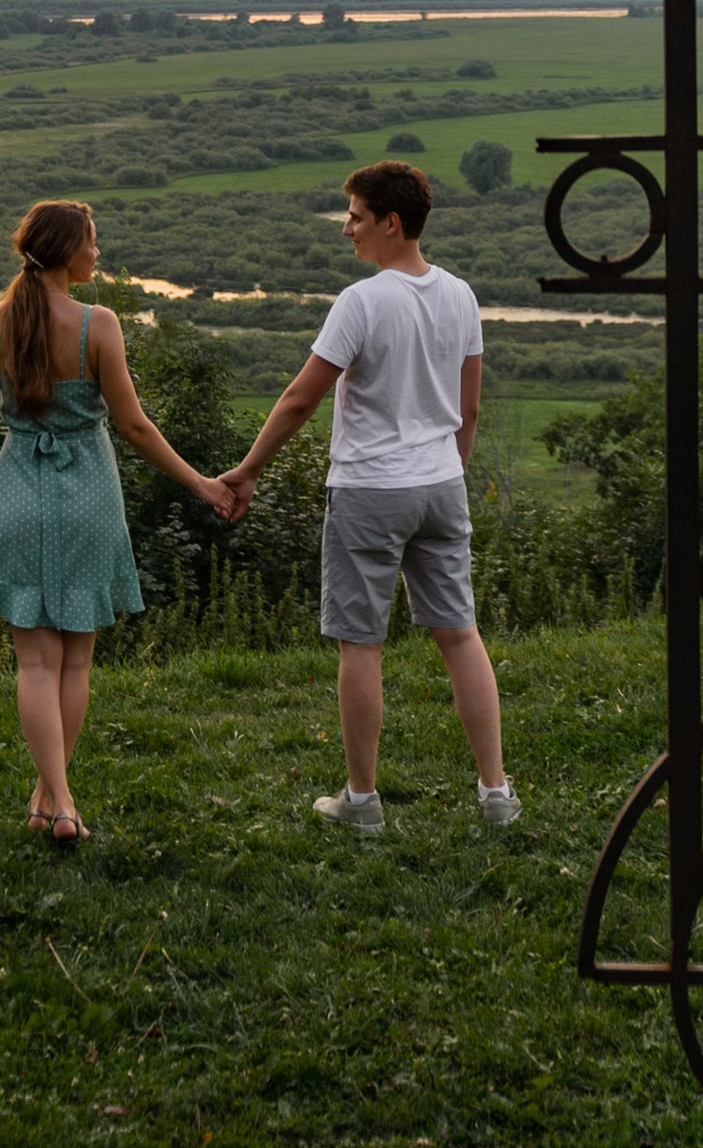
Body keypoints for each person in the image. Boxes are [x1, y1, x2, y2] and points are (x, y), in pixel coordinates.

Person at [217, 159, 519, 836]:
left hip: (369, 490)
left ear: (390, 222)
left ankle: (361, 801)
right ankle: (497, 792)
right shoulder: (461, 295)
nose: (347, 229)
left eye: (355, 216)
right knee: (460, 633)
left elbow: (300, 399)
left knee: (362, 643)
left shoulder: (362, 301)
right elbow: (467, 412)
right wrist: (446, 473)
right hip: (441, 484)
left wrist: (249, 470)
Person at [0, 197, 231, 846]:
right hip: (89, 497)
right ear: (67, 250)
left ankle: (49, 796)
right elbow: (134, 425)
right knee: (74, 665)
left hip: (18, 491)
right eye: (92, 241)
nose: (98, 253)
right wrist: (199, 482)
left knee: (33, 664)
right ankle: (61, 801)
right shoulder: (98, 324)